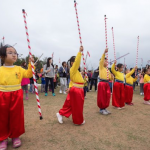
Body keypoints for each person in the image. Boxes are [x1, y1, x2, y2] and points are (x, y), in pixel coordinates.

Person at [0, 45, 34, 149]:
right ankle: (3, 138)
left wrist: (30, 63)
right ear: (2, 56)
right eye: (10, 52)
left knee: (16, 116)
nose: (14, 55)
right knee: (2, 118)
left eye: (15, 53)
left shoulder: (19, 68)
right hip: (2, 95)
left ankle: (15, 136)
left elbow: (29, 74)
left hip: (17, 94)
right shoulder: (0, 69)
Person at [56, 46, 85, 125]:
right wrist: (80, 52)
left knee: (71, 104)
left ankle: (61, 114)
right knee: (76, 106)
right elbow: (77, 62)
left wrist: (70, 87)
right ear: (72, 63)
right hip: (77, 90)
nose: (78, 64)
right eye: (75, 62)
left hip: (78, 89)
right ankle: (78, 120)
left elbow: (72, 80)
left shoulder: (76, 71)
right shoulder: (73, 68)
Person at [97, 48, 113, 115]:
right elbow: (101, 60)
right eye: (105, 61)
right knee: (102, 96)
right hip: (102, 83)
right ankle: (101, 109)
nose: (106, 62)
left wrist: (111, 77)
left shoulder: (107, 70)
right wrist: (104, 52)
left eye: (107, 61)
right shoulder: (101, 67)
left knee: (107, 96)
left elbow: (110, 78)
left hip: (107, 83)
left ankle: (105, 108)